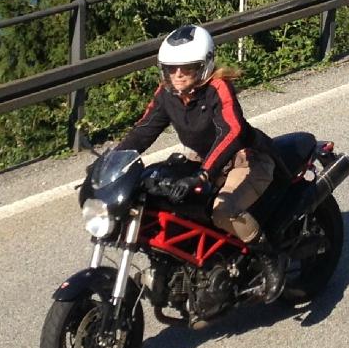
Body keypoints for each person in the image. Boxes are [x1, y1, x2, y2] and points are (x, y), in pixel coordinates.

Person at [115, 23, 288, 304]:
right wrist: (114, 160)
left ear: (204, 65)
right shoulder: (166, 94)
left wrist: (205, 175)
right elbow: (143, 130)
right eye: (171, 68)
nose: (178, 74)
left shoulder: (218, 88)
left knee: (223, 211)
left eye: (187, 67)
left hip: (243, 159)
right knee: (156, 198)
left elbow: (231, 131)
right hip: (203, 161)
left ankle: (270, 256)